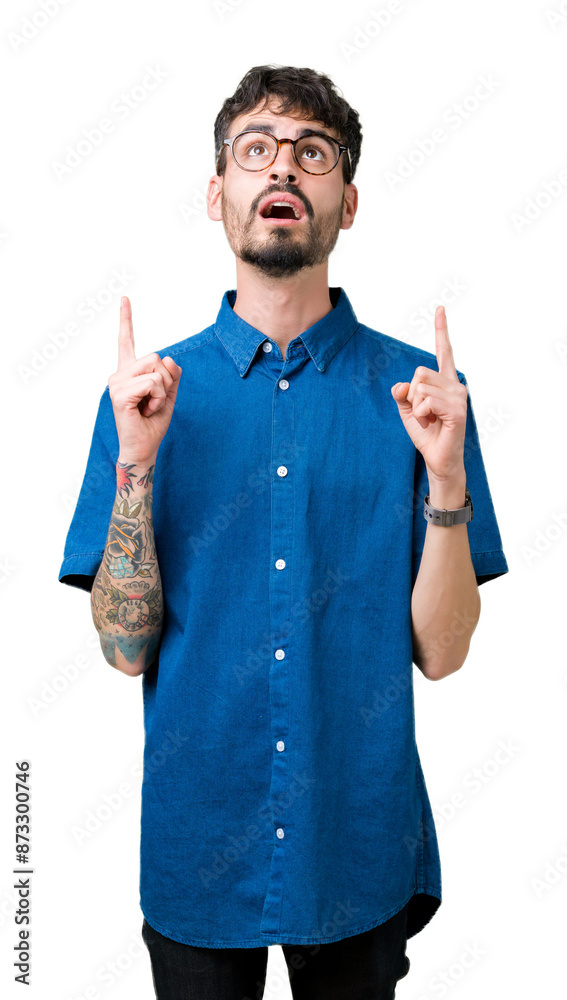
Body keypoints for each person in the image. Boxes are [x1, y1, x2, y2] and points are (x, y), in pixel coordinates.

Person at [58, 64, 509, 999]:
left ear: (346, 203)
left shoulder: (422, 400)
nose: (282, 170)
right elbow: (123, 648)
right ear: (216, 192)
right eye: (254, 149)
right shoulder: (144, 398)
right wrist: (135, 464)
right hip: (197, 845)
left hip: (358, 843)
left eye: (313, 154)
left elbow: (443, 652)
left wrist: (447, 477)